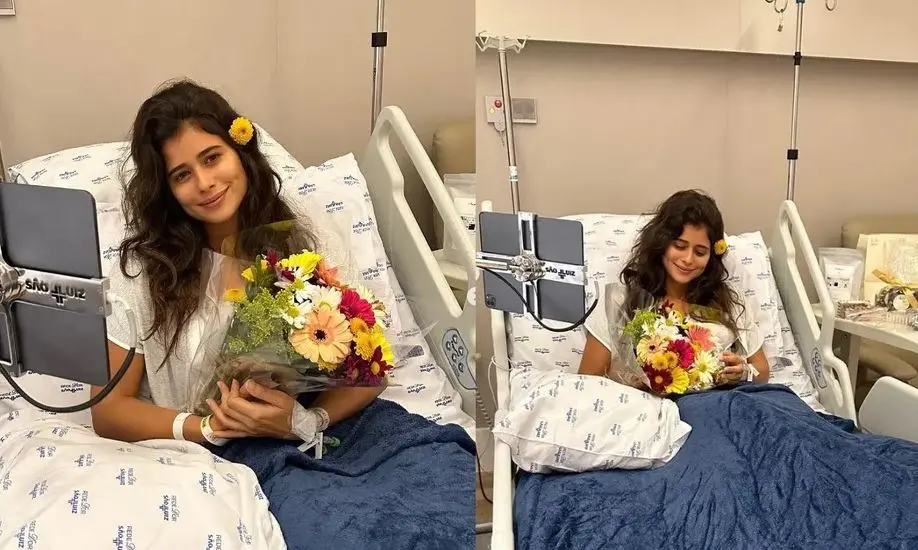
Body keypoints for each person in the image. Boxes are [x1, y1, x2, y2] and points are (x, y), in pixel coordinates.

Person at [89, 79, 382, 446]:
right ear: (167, 191)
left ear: (240, 152)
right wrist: (209, 428)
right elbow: (108, 409)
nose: (204, 182)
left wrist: (308, 420)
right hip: (199, 452)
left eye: (212, 158)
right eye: (182, 175)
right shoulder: (144, 271)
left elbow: (371, 368)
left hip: (302, 442)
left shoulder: (310, 245)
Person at [578, 189, 770, 388]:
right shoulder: (621, 301)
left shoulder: (727, 302)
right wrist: (637, 384)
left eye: (700, 252)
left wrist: (744, 373)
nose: (688, 259)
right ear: (661, 243)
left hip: (724, 398)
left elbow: (762, 371)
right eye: (679, 246)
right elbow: (589, 379)